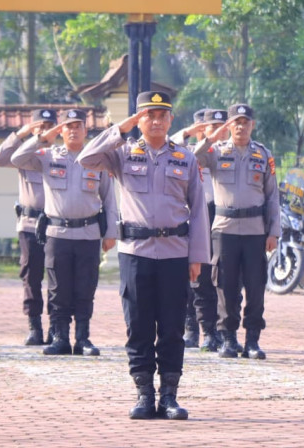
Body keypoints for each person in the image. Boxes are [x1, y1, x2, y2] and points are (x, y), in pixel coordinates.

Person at [79, 91, 210, 420]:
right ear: (139, 118)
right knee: (137, 325)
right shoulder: (121, 153)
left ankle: (169, 395)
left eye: (161, 115)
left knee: (171, 326)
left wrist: (197, 257)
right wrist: (120, 130)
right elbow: (85, 158)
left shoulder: (185, 158)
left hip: (174, 254)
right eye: (148, 114)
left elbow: (198, 211)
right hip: (135, 253)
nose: (155, 120)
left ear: (170, 120)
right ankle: (144, 394)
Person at [11, 108, 118, 356]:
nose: (72, 130)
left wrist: (110, 232)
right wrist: (42, 137)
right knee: (58, 288)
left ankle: (82, 338)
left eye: (77, 126)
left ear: (85, 130)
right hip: (57, 234)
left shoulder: (96, 159)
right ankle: (59, 337)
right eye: (67, 126)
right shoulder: (48, 156)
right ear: (61, 130)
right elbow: (17, 158)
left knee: (85, 287)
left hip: (88, 233)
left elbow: (110, 199)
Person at [193, 103, 281, 360]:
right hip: (224, 229)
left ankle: (252, 339)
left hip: (255, 230)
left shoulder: (263, 155)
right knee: (225, 285)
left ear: (252, 124)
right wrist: (211, 138)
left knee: (255, 285)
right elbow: (193, 160)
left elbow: (273, 196)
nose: (241, 126)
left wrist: (273, 231)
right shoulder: (216, 151)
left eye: (245, 122)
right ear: (229, 125)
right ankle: (228, 339)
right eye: (236, 122)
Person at [0, 108, 58, 346]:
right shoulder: (25, 156)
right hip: (30, 225)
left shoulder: (58, 155)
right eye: (40, 125)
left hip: (55, 226)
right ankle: (34, 326)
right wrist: (24, 133)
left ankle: (55, 328)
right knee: (31, 276)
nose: (45, 129)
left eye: (49, 125)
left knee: (56, 278)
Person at [171, 108, 229, 352]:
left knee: (217, 278)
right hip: (195, 216)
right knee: (193, 279)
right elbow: (173, 146)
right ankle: (193, 329)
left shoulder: (229, 153)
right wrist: (190, 134)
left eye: (220, 127)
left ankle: (215, 330)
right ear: (201, 130)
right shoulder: (189, 152)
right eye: (211, 128)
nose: (217, 132)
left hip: (220, 217)